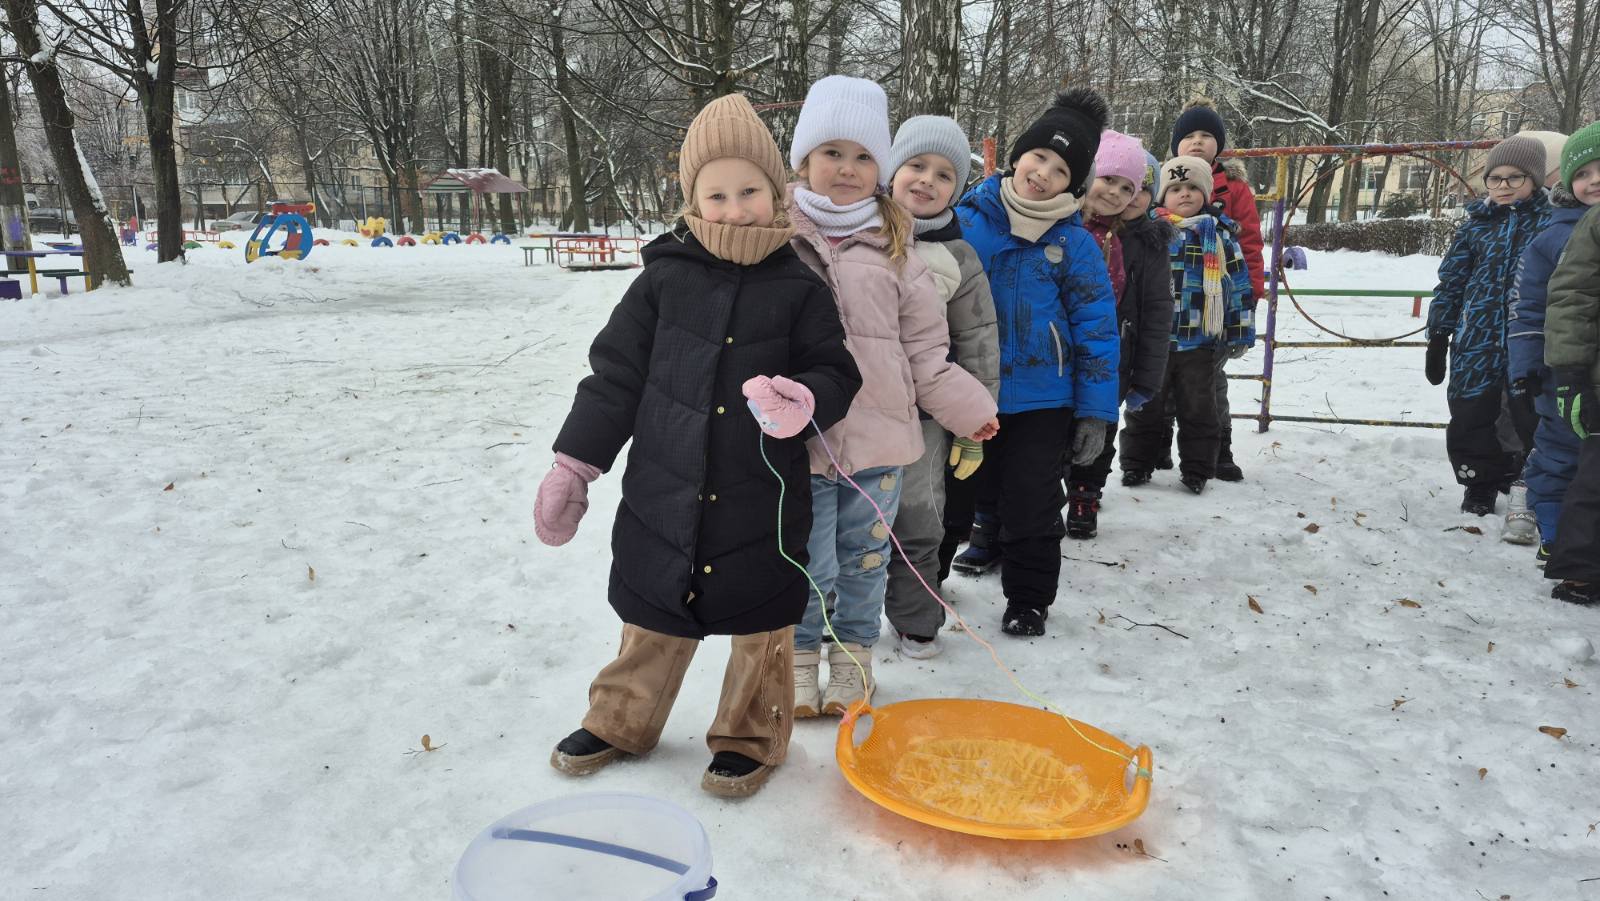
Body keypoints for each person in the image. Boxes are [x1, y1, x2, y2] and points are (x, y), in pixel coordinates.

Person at [538, 94, 862, 797]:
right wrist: (574, 463)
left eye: (750, 191)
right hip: (666, 486)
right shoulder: (663, 278)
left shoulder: (800, 286)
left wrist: (805, 399)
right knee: (651, 608)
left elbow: (836, 371)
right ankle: (620, 718)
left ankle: (751, 734)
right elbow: (615, 377)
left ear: (776, 193)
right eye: (717, 195)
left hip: (763, 498)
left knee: (762, 622)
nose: (735, 209)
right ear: (692, 201)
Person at [785, 76, 998, 713]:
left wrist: (970, 411)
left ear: (880, 168)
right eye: (832, 152)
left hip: (880, 446)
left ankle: (853, 660)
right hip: (801, 443)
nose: (847, 168)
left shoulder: (899, 249)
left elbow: (927, 351)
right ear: (804, 159)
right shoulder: (775, 237)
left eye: (863, 156)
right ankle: (799, 658)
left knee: (864, 560)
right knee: (807, 560)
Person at [949, 88, 1121, 637]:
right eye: (1038, 156)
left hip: (1043, 399)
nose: (1043, 173)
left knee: (1031, 500)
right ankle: (922, 586)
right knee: (954, 493)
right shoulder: (965, 219)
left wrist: (1096, 412)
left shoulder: (1076, 244)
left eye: (1061, 169)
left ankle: (1028, 599)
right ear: (1017, 155)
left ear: (1074, 183)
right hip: (965, 388)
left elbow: (1097, 331)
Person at [880, 115, 1001, 659]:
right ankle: (833, 617)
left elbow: (978, 340)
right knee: (845, 518)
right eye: (916, 165)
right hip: (850, 410)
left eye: (945, 173)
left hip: (924, 416)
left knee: (920, 518)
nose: (928, 179)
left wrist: (975, 422)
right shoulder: (857, 236)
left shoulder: (960, 257)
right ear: (893, 169)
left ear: (957, 188)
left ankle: (914, 617)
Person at [1426, 135, 1551, 515]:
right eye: (1495, 178)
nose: (1503, 186)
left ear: (1534, 179)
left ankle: (1523, 477)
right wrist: (1439, 333)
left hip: (1530, 339)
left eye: (1515, 177)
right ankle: (1478, 483)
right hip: (1476, 339)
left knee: (1527, 413)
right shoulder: (1475, 226)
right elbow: (1452, 281)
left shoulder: (1552, 223)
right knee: (1472, 412)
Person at [1119, 156, 1253, 493]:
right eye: (1176, 188)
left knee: (1199, 409)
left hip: (1200, 341)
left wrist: (1239, 331)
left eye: (1193, 187)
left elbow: (1238, 285)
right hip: (1154, 342)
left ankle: (1197, 469)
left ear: (1205, 194)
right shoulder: (1150, 233)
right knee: (1145, 406)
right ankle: (1137, 464)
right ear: (1162, 195)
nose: (1185, 193)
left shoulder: (1219, 237)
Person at [1064, 136, 1175, 538]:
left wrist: (1146, 379)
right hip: (1064, 352)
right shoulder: (1077, 227)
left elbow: (1158, 314)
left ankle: (1085, 494)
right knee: (1058, 430)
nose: (1128, 197)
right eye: (1113, 181)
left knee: (1100, 433)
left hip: (1117, 359)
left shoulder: (1149, 244)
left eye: (1141, 189)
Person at [1504, 125, 1598, 554]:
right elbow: (1527, 308)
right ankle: (1557, 537)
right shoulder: (1550, 239)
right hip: (1562, 379)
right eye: (1583, 173)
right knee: (1559, 457)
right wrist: (1526, 368)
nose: (1594, 181)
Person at [1168, 100, 1264, 481]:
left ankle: (1219, 448)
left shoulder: (1234, 188)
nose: (1197, 142)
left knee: (1209, 381)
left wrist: (1249, 298)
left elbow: (1250, 244)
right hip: (1171, 303)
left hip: (1215, 306)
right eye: (1189, 135)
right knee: (1162, 378)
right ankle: (1155, 446)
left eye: (1206, 135)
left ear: (1219, 144)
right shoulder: (1166, 182)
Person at [1539, 127, 1600, 606]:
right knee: (1593, 479)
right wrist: (1571, 373)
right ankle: (1581, 570)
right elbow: (1571, 297)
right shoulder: (1591, 226)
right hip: (1595, 376)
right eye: (1583, 173)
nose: (1594, 180)